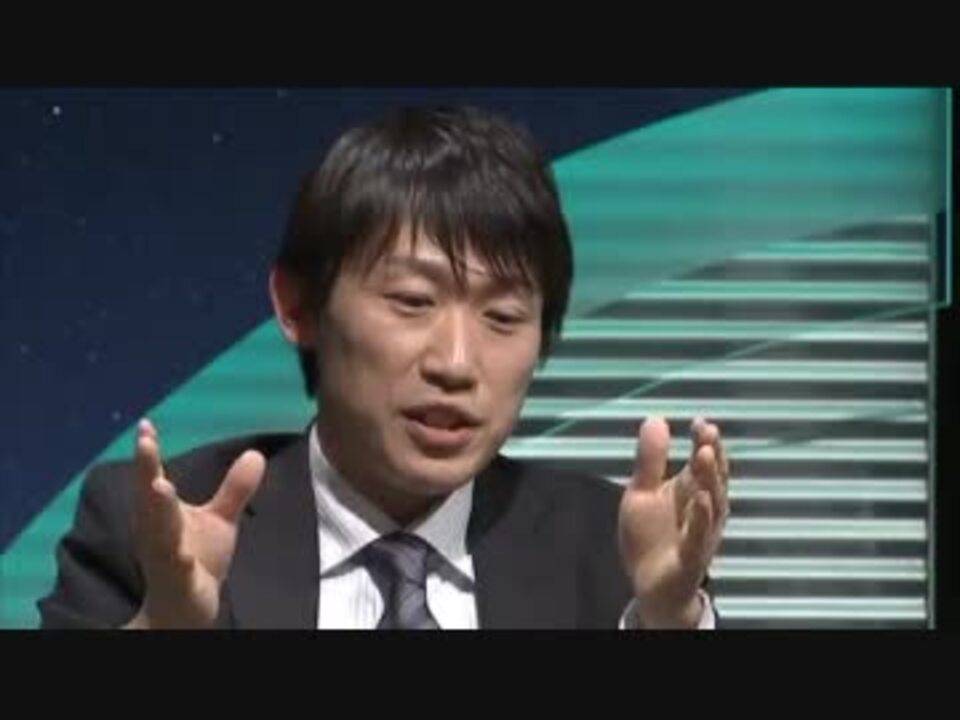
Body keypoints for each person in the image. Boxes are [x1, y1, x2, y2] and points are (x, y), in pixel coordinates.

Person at [38, 105, 729, 629]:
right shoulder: (155, 525)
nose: (456, 363)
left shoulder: (612, 551)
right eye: (412, 301)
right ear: (298, 305)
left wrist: (669, 623)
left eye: (502, 317)